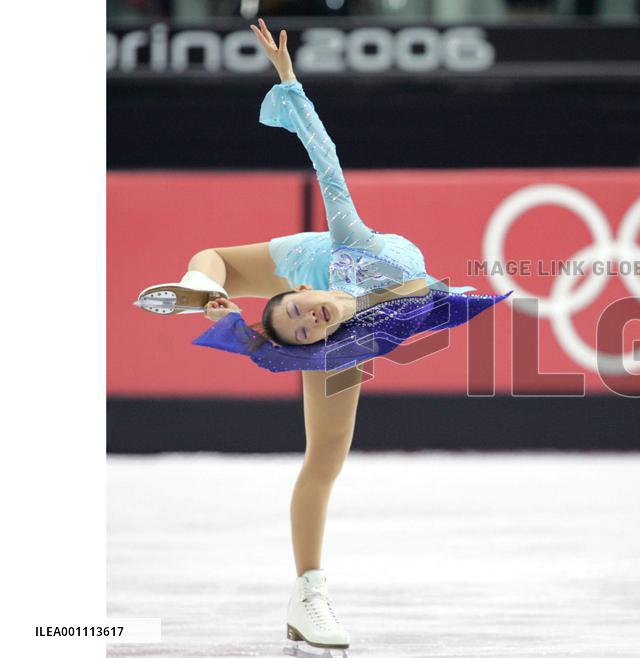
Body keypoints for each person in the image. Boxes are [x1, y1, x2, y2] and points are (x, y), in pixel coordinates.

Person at [133, 18, 510, 655]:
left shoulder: (341, 246)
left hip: (328, 261)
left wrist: (289, 81)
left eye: (299, 315)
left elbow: (324, 156)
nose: (308, 321)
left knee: (243, 277)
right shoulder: (326, 340)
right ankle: (309, 590)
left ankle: (213, 293)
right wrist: (276, 328)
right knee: (325, 458)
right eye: (301, 329)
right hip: (355, 336)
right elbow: (306, 330)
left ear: (301, 297)